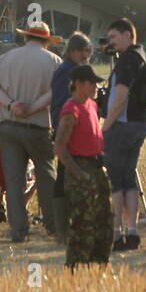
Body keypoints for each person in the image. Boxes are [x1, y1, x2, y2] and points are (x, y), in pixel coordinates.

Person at [0, 22, 62, 242]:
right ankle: (52, 225)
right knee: (47, 177)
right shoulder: (54, 62)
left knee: (13, 179)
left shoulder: (4, 59)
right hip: (39, 126)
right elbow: (55, 92)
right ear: (47, 41)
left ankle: (19, 229)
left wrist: (11, 105)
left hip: (8, 126)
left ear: (26, 38)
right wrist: (34, 108)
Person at [100, 18, 146, 250]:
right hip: (139, 123)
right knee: (129, 177)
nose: (110, 42)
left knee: (117, 180)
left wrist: (106, 126)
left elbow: (120, 96)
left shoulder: (127, 60)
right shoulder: (144, 56)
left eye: (113, 37)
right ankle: (132, 230)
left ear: (127, 35)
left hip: (122, 125)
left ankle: (117, 231)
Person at [53, 63, 113, 267]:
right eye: (92, 83)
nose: (96, 87)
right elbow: (60, 146)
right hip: (81, 167)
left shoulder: (92, 104)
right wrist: (78, 173)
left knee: (104, 222)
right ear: (78, 84)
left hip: (97, 167)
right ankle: (77, 269)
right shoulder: (71, 109)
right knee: (83, 225)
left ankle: (98, 266)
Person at [50, 33, 93, 245]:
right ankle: (61, 228)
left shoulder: (75, 70)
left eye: (87, 52)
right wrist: (61, 132)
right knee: (63, 177)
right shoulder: (64, 71)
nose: (85, 55)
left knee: (66, 177)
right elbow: (57, 104)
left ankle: (69, 226)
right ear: (73, 50)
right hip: (66, 130)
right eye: (82, 51)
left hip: (77, 131)